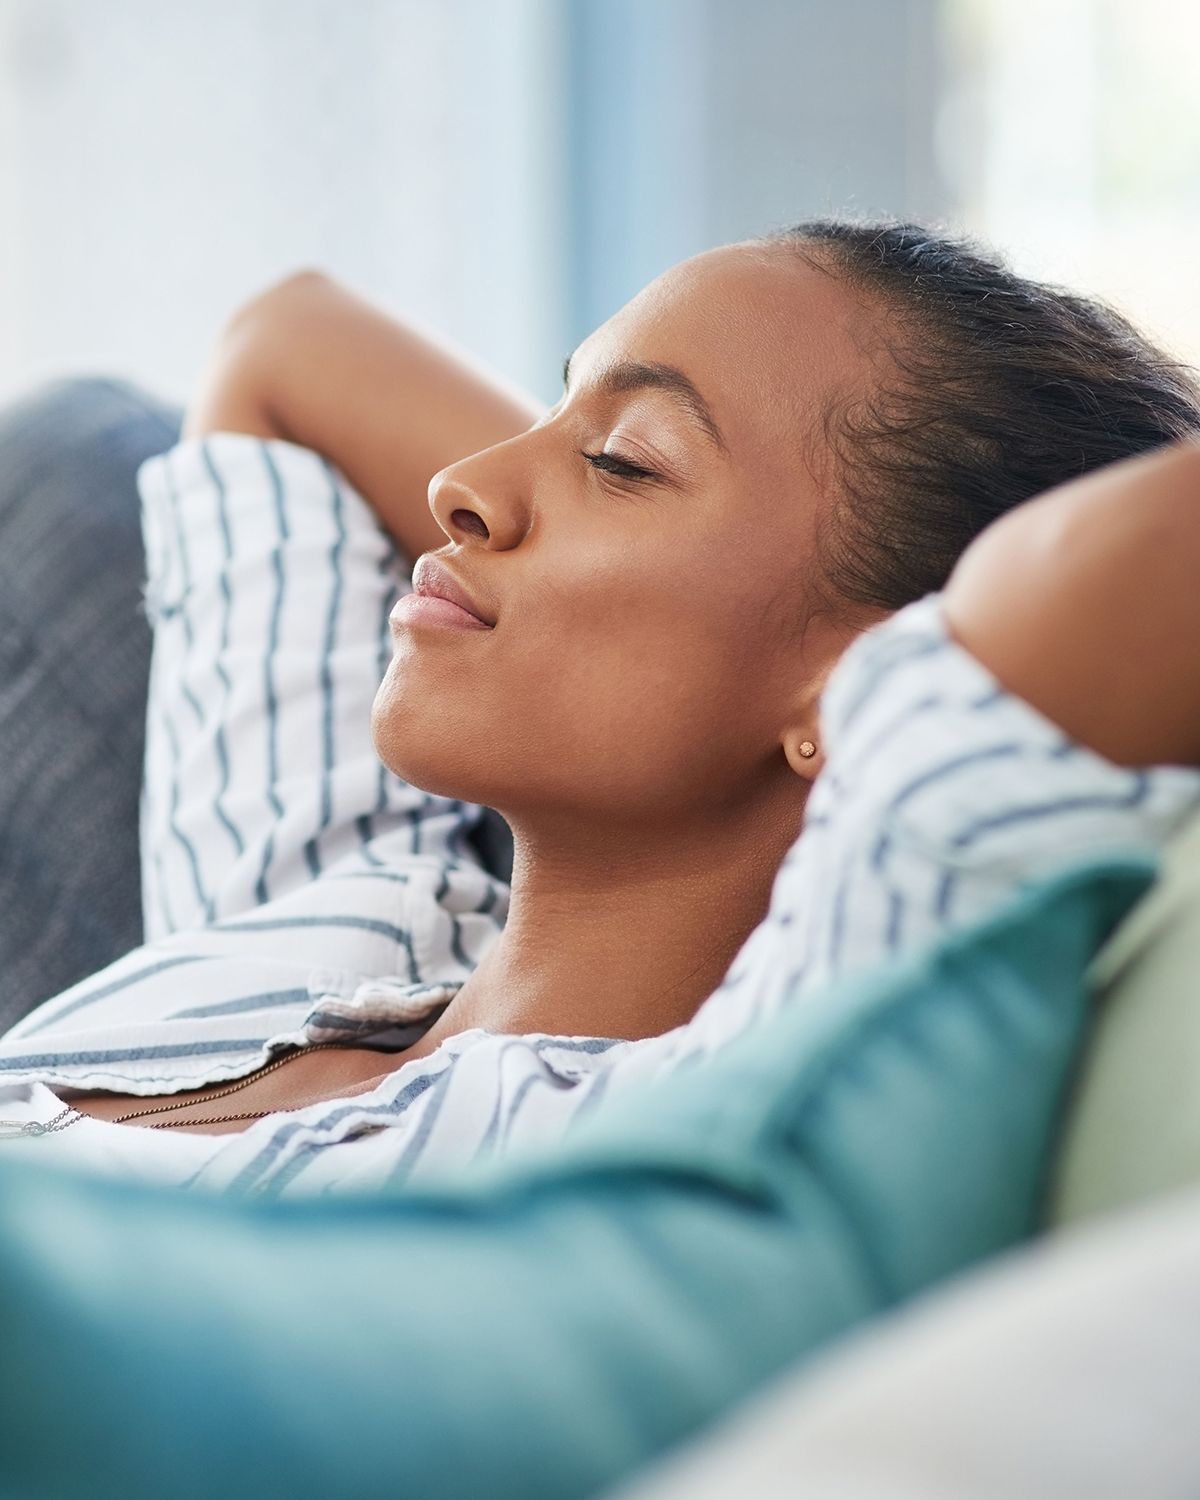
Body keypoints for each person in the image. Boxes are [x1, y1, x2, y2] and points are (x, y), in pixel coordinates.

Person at [0, 220, 1198, 1194]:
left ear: (872, 686)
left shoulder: (670, 1134)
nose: (457, 485)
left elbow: (1090, 597)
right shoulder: (354, 914)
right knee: (73, 443)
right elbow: (290, 346)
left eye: (623, 460)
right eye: (552, 412)